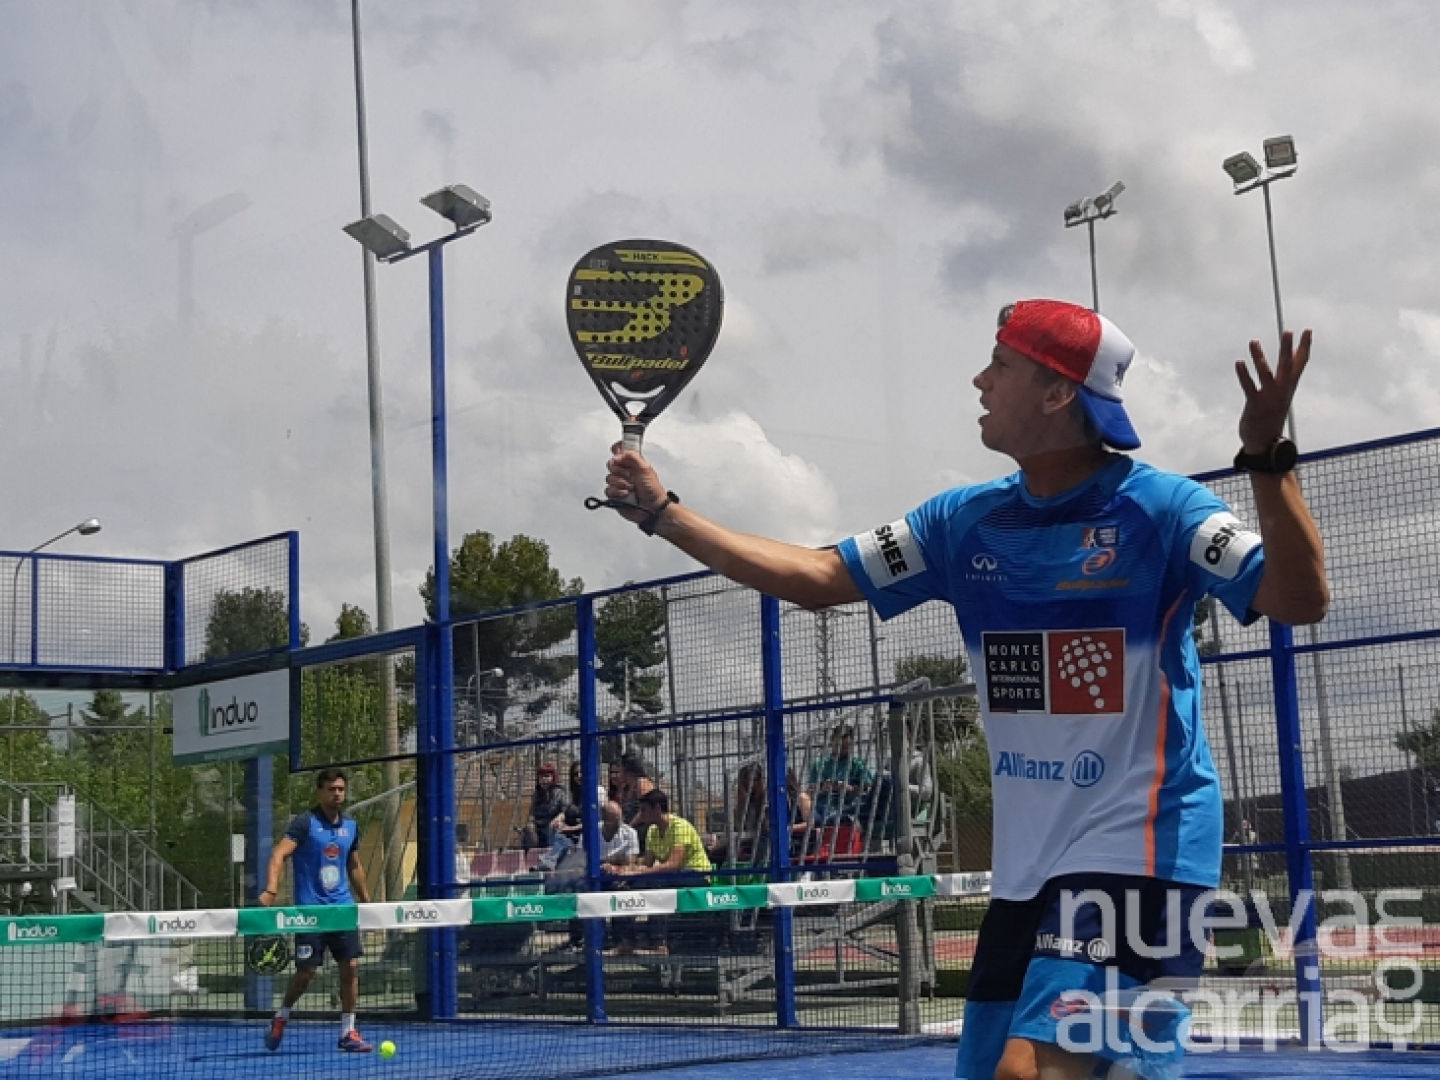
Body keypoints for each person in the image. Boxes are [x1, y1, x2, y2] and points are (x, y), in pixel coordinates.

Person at [601, 300, 1328, 1080]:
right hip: (1030, 864)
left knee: (1029, 1071)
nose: (980, 380)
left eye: (1001, 365)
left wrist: (1266, 458)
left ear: (1058, 393)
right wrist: (663, 515)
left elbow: (1299, 598)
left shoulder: (1165, 510)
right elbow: (818, 576)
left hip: (1141, 842)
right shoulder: (962, 521)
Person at [259, 768, 373, 1054]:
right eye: (331, 789)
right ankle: (282, 1016)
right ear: (320, 791)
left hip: (343, 911)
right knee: (306, 973)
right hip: (311, 914)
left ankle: (348, 1031)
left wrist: (367, 902)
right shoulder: (304, 823)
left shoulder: (351, 826)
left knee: (351, 967)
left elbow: (354, 865)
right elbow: (279, 854)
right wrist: (271, 890)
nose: (337, 794)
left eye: (341, 789)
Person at [604, 788, 713, 955]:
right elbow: (647, 863)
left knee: (657, 884)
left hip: (696, 875)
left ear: (657, 809)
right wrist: (623, 869)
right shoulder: (652, 831)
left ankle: (658, 944)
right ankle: (625, 941)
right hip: (668, 876)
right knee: (625, 886)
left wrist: (639, 872)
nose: (640, 815)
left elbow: (673, 865)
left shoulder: (680, 826)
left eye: (644, 810)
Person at [807, 725, 873, 825]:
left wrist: (850, 789)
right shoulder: (819, 764)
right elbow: (810, 792)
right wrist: (823, 788)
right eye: (837, 746)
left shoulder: (858, 765)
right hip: (823, 807)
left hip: (849, 806)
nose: (840, 749)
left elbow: (869, 791)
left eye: (844, 747)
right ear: (831, 741)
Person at [521, 762, 568, 850]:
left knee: (555, 827)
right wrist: (530, 822)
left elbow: (564, 811)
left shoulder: (560, 792)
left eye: (547, 776)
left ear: (553, 777)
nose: (543, 779)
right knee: (529, 829)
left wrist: (557, 819)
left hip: (554, 824)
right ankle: (534, 854)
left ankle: (553, 853)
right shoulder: (537, 793)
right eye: (541, 777)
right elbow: (532, 813)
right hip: (539, 825)